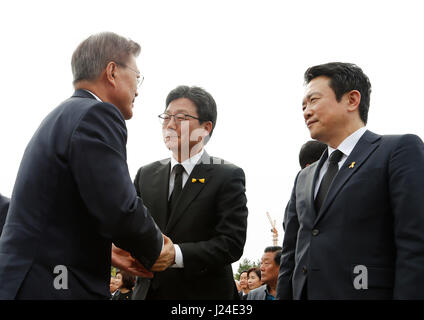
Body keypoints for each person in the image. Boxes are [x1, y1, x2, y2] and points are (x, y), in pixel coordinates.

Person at [0, 32, 175, 300]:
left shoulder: (64, 116)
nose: (138, 89)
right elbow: (119, 207)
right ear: (112, 72)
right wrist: (155, 248)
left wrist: (108, 250)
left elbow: (55, 215)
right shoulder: (97, 114)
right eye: (137, 77)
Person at [277, 62, 424, 300]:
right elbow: (290, 254)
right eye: (303, 105)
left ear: (352, 100)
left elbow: (415, 245)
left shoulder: (397, 151)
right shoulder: (303, 177)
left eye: (313, 100)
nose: (306, 111)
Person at [131, 85, 248, 300]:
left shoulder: (227, 175)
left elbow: (231, 243)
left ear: (205, 128)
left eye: (181, 118)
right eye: (166, 117)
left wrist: (175, 254)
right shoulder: (145, 174)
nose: (170, 125)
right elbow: (131, 228)